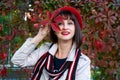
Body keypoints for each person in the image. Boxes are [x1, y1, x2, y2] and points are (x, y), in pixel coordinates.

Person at [11, 6, 91, 80]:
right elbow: (17, 60)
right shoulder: (44, 50)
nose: (65, 27)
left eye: (70, 23)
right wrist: (39, 36)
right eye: (60, 23)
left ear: (75, 29)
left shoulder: (82, 62)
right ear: (54, 29)